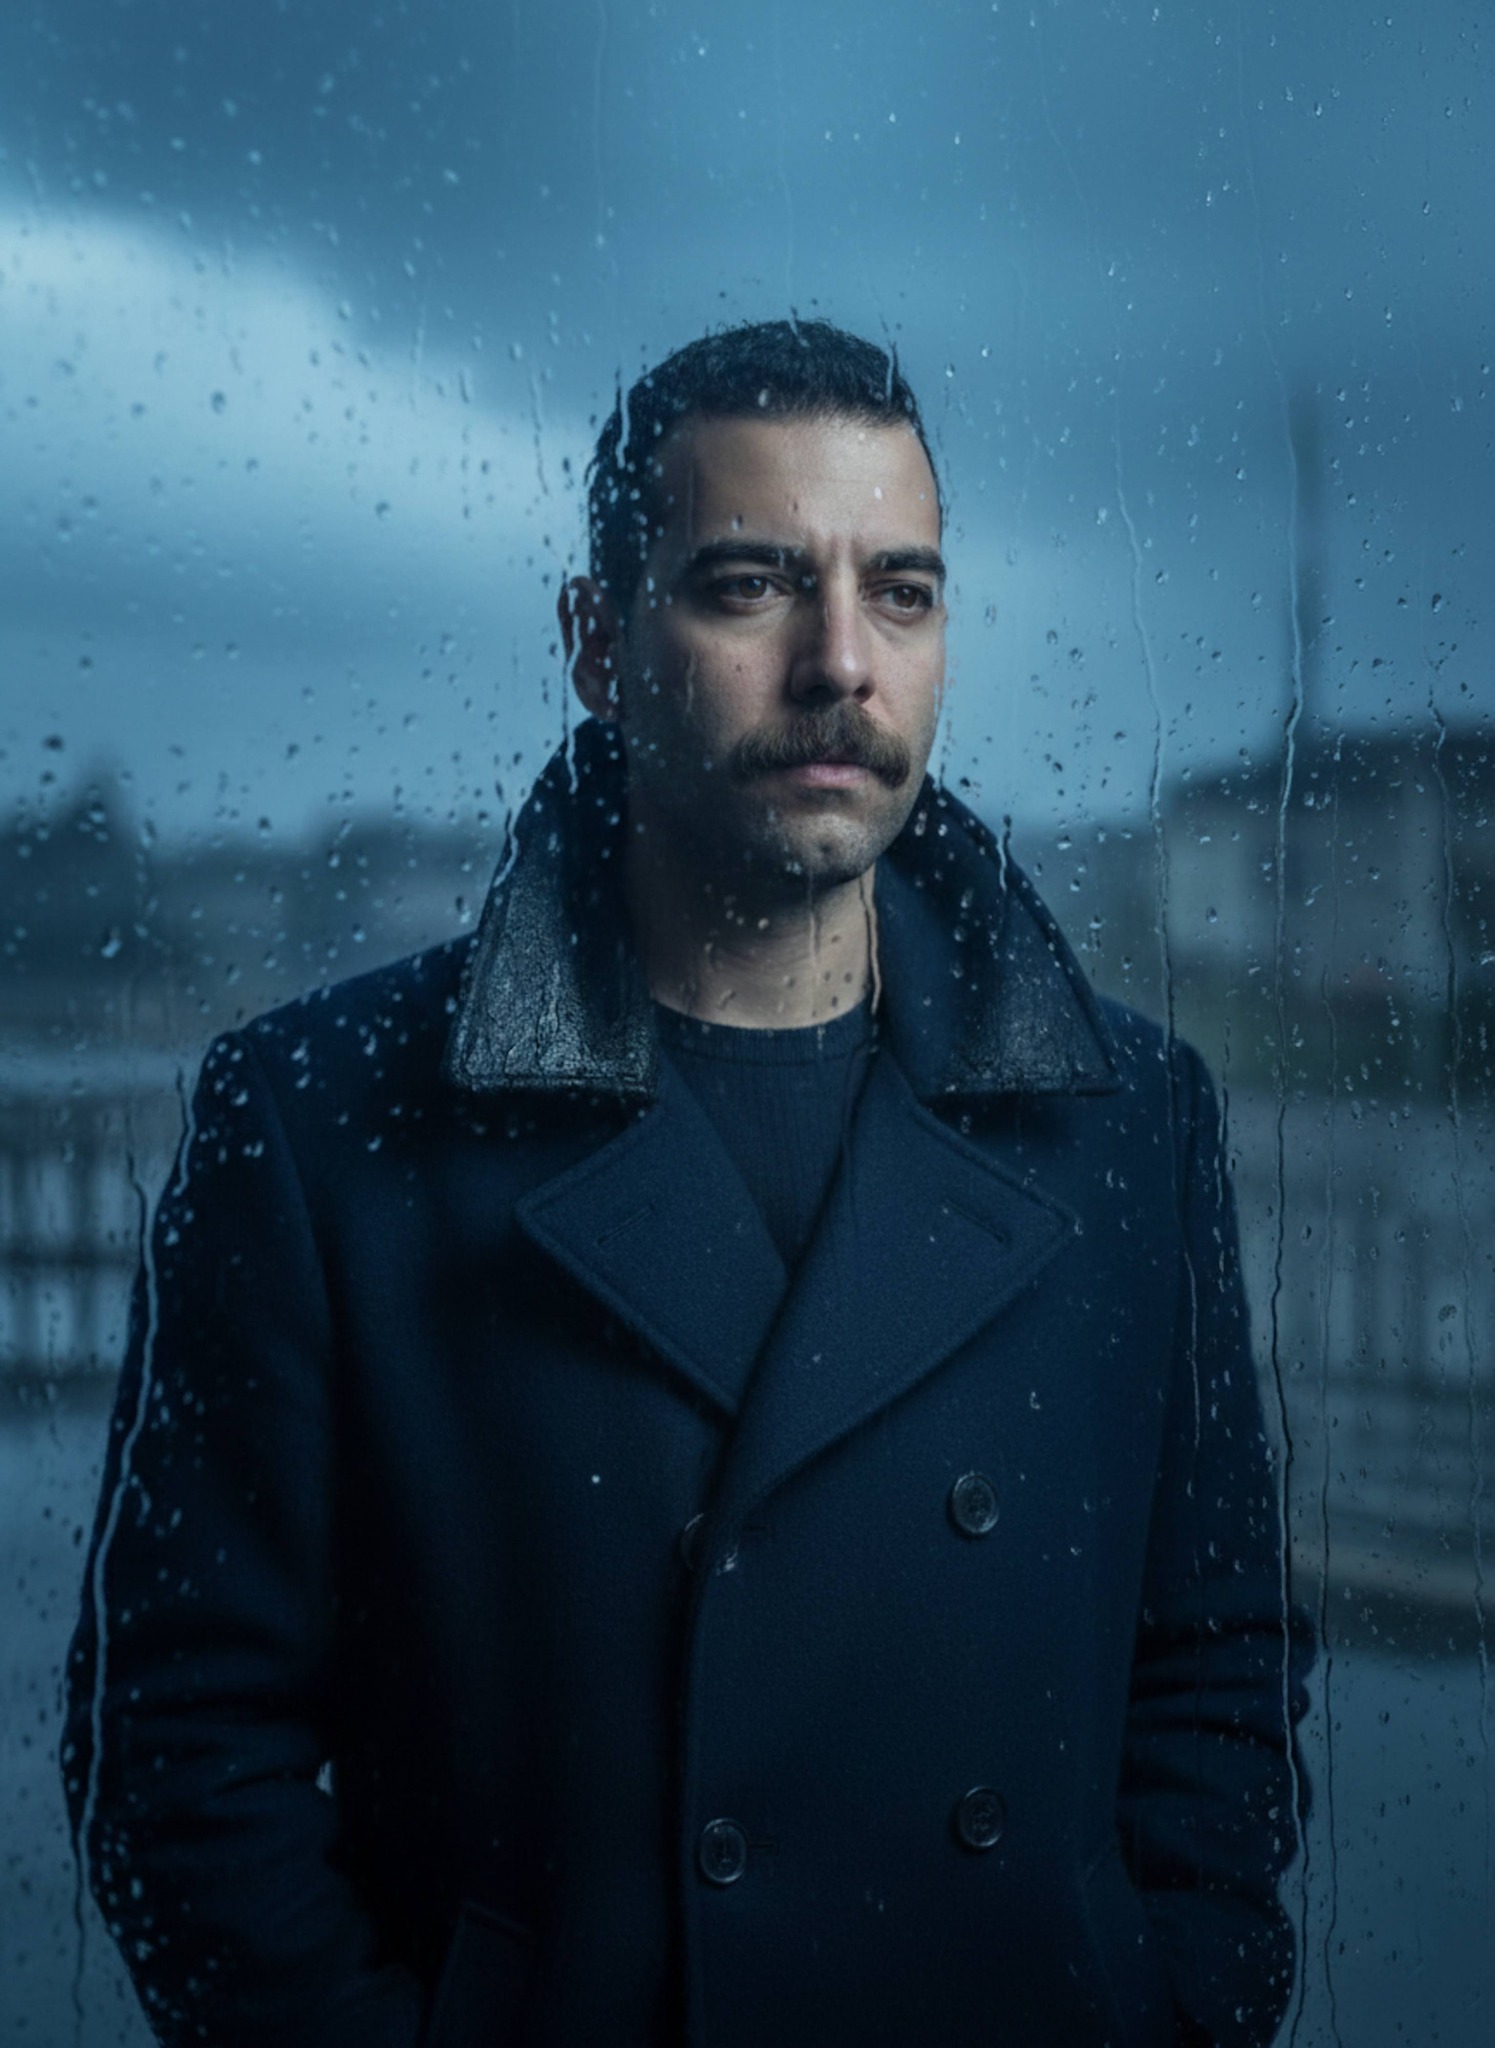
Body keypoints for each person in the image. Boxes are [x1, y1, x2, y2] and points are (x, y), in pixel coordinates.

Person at [64, 319, 1310, 2048]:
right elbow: (184, 1748)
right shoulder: (310, 1120)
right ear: (596, 640)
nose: (840, 664)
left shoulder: (1131, 1123)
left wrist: (1175, 2003)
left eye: (904, 591)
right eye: (748, 586)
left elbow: (1214, 1671)